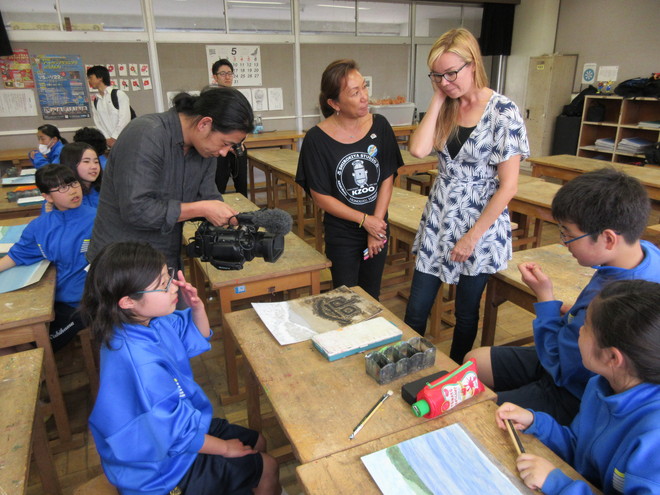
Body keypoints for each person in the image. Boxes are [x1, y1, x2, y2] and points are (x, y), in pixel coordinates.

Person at [80, 241, 281, 495]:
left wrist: (196, 307)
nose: (173, 285)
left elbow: (197, 334)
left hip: (181, 425)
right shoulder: (139, 363)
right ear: (128, 301)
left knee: (257, 441)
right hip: (159, 469)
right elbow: (173, 436)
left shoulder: (146, 321)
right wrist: (225, 448)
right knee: (268, 467)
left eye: (169, 276)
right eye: (162, 285)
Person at [467, 168, 660, 425]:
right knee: (473, 362)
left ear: (609, 239)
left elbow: (561, 369)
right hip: (564, 354)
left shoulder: (622, 300)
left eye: (568, 234)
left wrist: (546, 300)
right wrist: (573, 315)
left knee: (481, 416)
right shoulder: (643, 252)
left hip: (572, 388)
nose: (564, 242)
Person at [403, 28, 529, 363]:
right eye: (437, 75)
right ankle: (410, 368)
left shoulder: (504, 111)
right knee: (416, 307)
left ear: (473, 64)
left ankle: (455, 372)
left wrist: (472, 238)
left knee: (466, 312)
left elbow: (509, 186)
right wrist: (440, 97)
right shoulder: (446, 106)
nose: (445, 81)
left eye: (451, 73)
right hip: (440, 218)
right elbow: (417, 150)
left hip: (480, 225)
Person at [496, 279, 660, 494]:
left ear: (612, 356)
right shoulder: (600, 386)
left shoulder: (653, 438)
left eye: (586, 326)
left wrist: (557, 484)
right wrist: (537, 423)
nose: (578, 330)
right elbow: (581, 450)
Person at [87, 87, 253, 271]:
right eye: (225, 143)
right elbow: (136, 210)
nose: (223, 153)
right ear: (204, 124)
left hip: (165, 258)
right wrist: (203, 208)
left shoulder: (205, 151)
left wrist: (230, 218)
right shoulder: (146, 134)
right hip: (120, 264)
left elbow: (208, 197)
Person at [295, 59, 402, 300]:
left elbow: (387, 176)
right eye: (355, 92)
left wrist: (375, 225)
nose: (364, 96)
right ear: (334, 103)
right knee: (346, 297)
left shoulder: (381, 125)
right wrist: (364, 221)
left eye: (364, 87)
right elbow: (321, 196)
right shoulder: (317, 139)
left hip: (378, 228)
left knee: (372, 294)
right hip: (342, 233)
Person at [0, 164, 94, 351]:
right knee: (10, 340)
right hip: (54, 299)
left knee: (33, 345)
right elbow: (16, 255)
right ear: (47, 197)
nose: (72, 191)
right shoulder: (40, 226)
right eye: (61, 188)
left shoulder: (97, 218)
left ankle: (39, 374)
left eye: (73, 183)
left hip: (86, 303)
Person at [211, 58, 249, 197]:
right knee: (219, 185)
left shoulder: (239, 97)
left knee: (242, 187)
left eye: (229, 73)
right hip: (220, 150)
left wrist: (240, 141)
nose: (227, 77)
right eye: (223, 74)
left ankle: (245, 216)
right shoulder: (211, 99)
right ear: (215, 77)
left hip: (238, 147)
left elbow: (246, 121)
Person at [86, 65, 131, 148]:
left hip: (125, 140)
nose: (89, 80)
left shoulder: (118, 94)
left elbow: (125, 118)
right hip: (108, 144)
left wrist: (114, 137)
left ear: (100, 77)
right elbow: (98, 122)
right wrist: (107, 139)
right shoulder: (96, 100)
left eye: (90, 77)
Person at [59, 142, 102, 208]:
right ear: (71, 164)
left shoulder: (103, 190)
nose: (94, 166)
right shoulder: (62, 196)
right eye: (86, 161)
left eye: (96, 162)